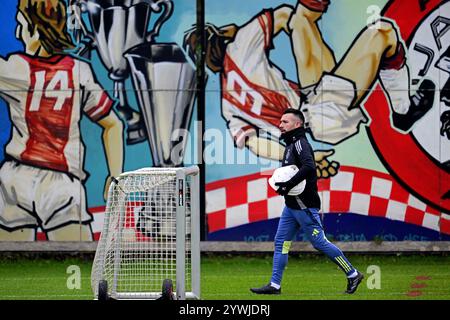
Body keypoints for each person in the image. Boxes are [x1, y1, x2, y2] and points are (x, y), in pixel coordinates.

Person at [183, 0, 435, 178]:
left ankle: (402, 109)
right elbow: (282, 15)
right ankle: (403, 109)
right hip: (321, 110)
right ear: (217, 36)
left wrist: (299, 156)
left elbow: (255, 143)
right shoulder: (239, 44)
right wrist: (239, 31)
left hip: (314, 104)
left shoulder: (227, 104)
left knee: (304, 16)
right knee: (383, 33)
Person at [0, 0, 124, 241]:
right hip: (62, 184)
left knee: (11, 264)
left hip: (16, 177)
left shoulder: (16, 67)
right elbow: (113, 124)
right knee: (80, 261)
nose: (17, 32)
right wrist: (115, 177)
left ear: (36, 29)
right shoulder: (79, 71)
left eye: (21, 25)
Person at [250, 108, 364, 294]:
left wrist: (287, 185)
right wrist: (287, 188)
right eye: (280, 121)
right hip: (291, 206)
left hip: (304, 206)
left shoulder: (300, 143)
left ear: (297, 124)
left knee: (319, 242)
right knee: (281, 243)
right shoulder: (290, 144)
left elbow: (310, 167)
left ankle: (352, 274)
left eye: (285, 122)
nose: (280, 125)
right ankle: (275, 285)